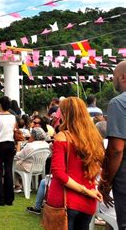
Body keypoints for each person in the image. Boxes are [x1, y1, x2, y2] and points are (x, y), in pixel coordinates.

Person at [46, 97, 104, 229]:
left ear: (66, 114)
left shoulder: (63, 137)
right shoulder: (94, 138)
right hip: (87, 201)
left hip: (65, 200)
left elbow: (58, 173)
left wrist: (85, 191)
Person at [99, 60, 126, 229]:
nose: (112, 80)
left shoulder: (118, 103)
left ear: (123, 78)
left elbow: (116, 149)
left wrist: (106, 182)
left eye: (114, 76)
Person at [14, 128, 49, 192]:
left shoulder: (30, 145)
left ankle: (17, 186)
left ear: (33, 136)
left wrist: (19, 146)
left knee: (12, 164)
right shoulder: (46, 145)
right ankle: (27, 185)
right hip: (40, 167)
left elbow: (18, 156)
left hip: (28, 167)